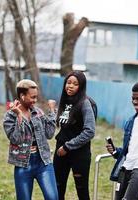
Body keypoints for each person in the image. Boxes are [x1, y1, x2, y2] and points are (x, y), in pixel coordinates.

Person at [3, 79, 58, 200]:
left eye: (36, 97)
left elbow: (49, 134)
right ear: (22, 96)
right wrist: (19, 116)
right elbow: (16, 139)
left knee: (53, 197)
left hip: (43, 161)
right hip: (23, 165)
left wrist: (52, 112)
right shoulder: (9, 116)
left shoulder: (37, 112)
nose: (35, 100)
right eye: (32, 97)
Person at [53, 71, 95, 200]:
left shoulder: (85, 103)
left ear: (81, 86)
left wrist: (67, 147)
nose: (70, 86)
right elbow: (65, 125)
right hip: (60, 152)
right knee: (57, 187)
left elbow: (90, 131)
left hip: (78, 153)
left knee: (81, 190)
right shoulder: (66, 101)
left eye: (75, 84)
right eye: (68, 82)